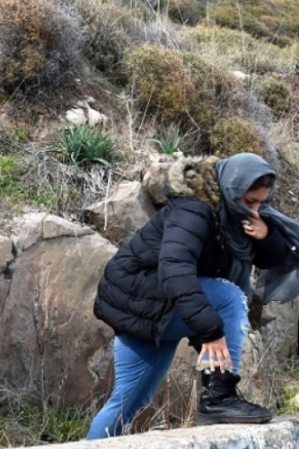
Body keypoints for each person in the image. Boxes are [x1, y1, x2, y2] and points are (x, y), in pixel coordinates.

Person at [87, 153, 298, 439]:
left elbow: (273, 258)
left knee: (127, 402)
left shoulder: (235, 216)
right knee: (229, 297)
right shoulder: (194, 210)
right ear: (233, 190)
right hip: (142, 296)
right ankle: (219, 397)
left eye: (262, 203)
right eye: (250, 202)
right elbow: (174, 269)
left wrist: (267, 235)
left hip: (157, 305)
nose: (256, 210)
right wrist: (210, 330)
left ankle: (218, 395)